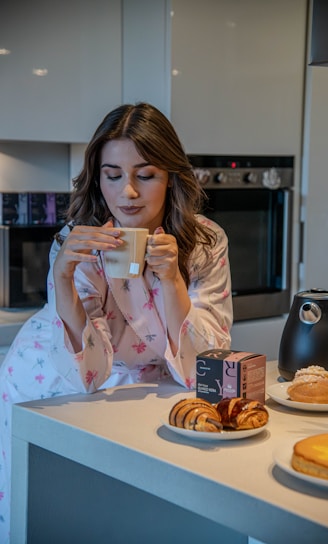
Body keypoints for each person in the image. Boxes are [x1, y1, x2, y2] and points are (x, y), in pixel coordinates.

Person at [0, 102, 233, 540]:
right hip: (50, 386)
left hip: (148, 394)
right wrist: (63, 276)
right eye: (112, 175)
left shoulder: (205, 241)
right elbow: (88, 373)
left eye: (145, 175)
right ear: (98, 177)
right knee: (46, 516)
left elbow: (210, 366)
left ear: (171, 178)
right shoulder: (78, 244)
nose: (127, 192)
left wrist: (171, 281)